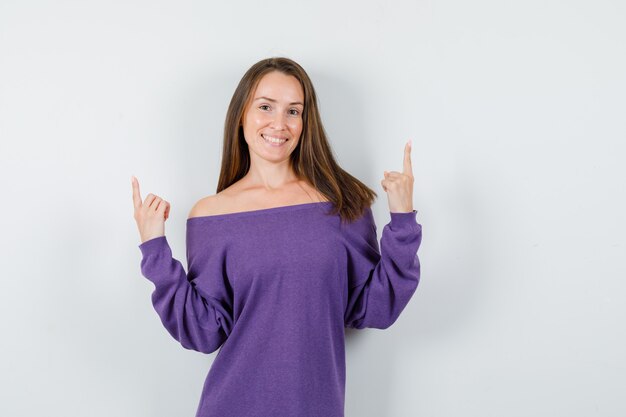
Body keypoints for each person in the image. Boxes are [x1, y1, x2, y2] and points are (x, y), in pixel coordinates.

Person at [131, 57, 422, 417]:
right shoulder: (212, 214)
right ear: (241, 115)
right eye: (266, 107)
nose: (279, 124)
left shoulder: (342, 203)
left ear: (305, 122)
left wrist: (403, 218)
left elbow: (374, 307)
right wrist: (154, 250)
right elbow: (204, 332)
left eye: (293, 111)